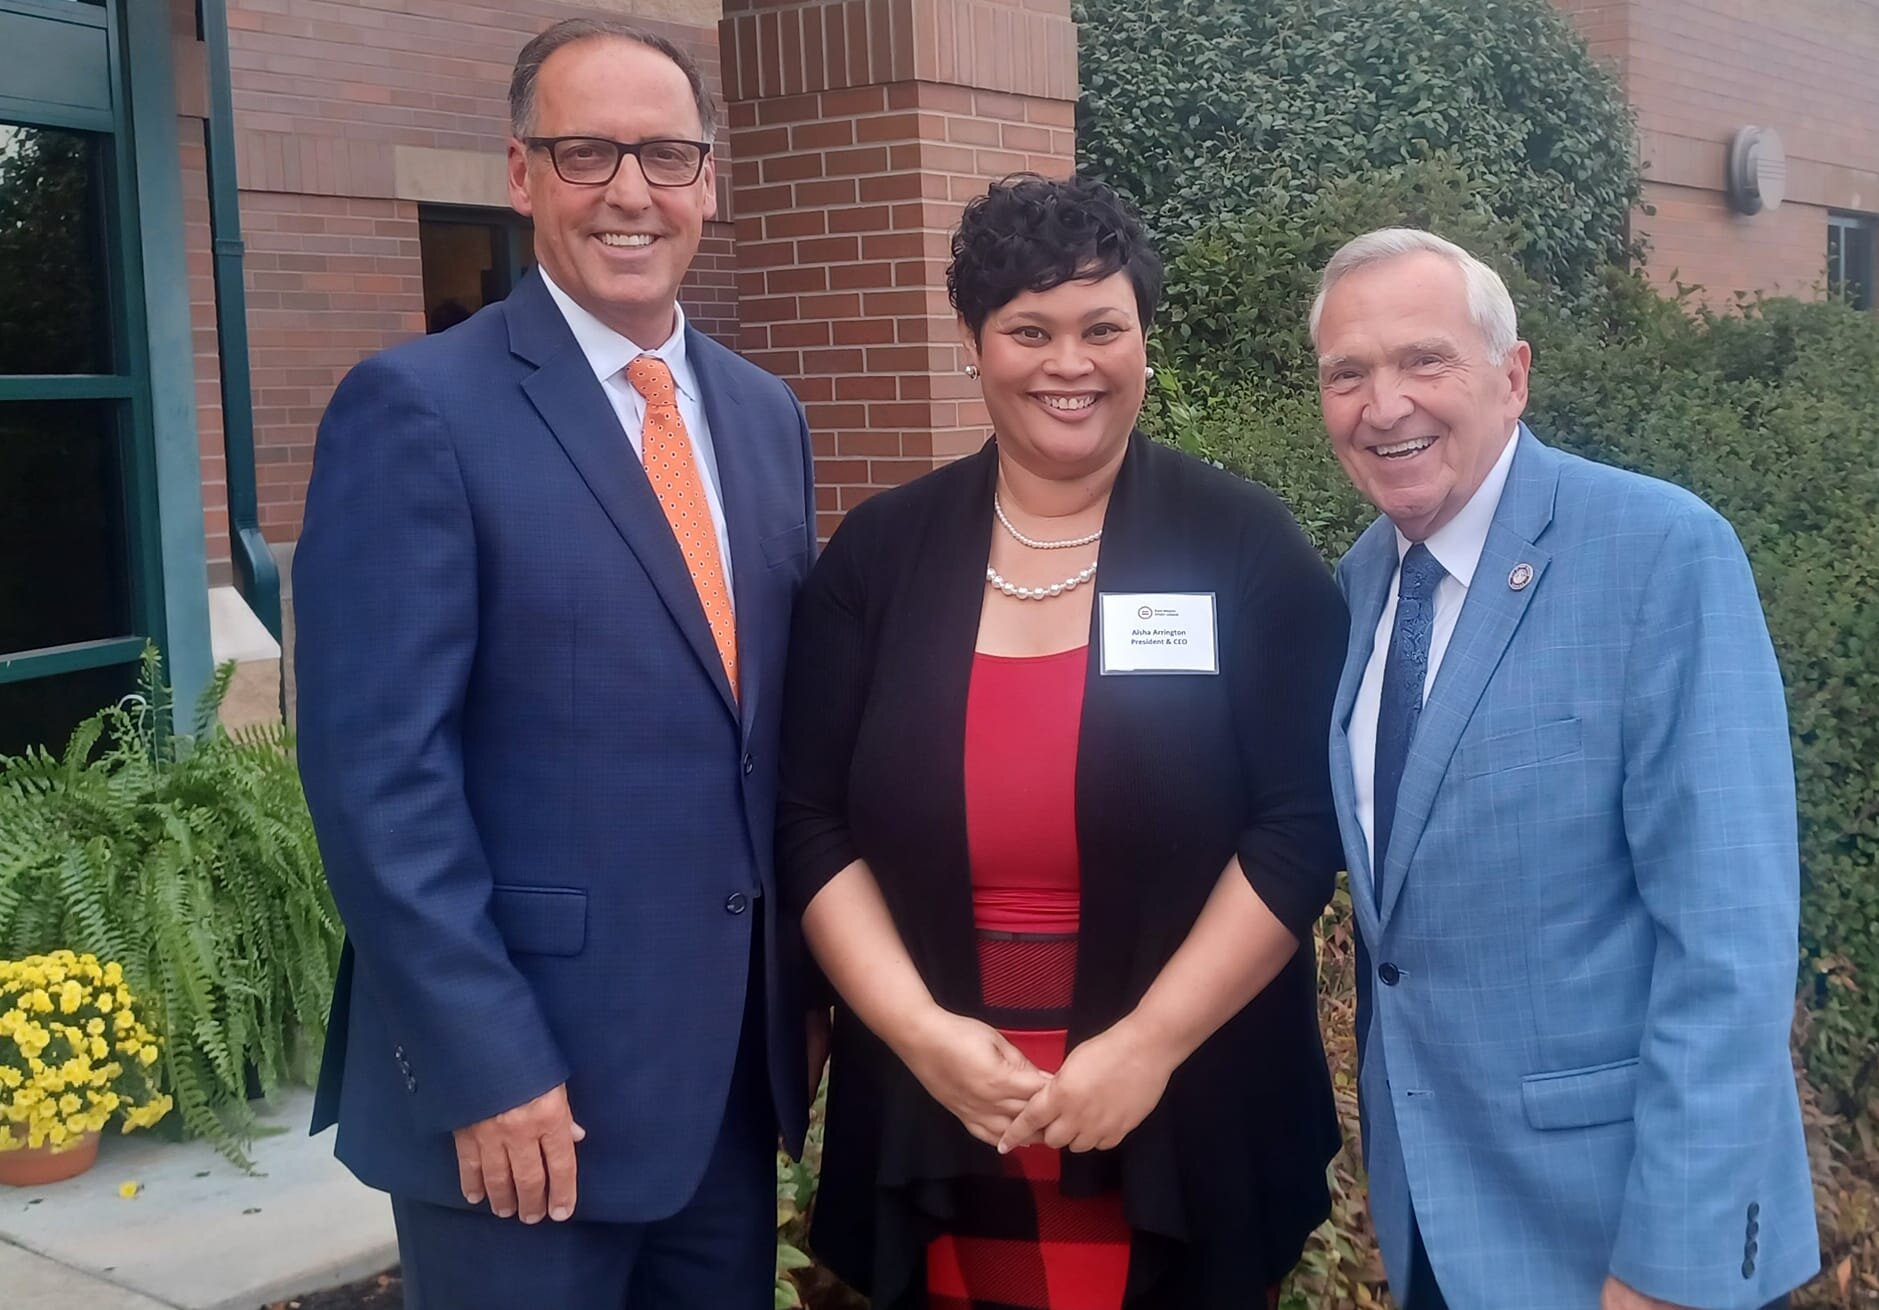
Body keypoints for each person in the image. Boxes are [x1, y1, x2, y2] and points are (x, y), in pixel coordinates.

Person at [294, 19, 816, 1308]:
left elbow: (764, 737)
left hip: (720, 1101)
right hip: (524, 1113)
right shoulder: (415, 408)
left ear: (709, 178)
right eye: (588, 153)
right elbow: (378, 778)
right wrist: (485, 1064)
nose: (630, 191)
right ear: (521, 174)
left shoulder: (762, 415)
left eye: (665, 154)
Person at [777, 174, 1346, 1310]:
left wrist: (1145, 1044)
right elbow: (807, 817)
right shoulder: (881, 557)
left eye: (1102, 327)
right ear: (972, 344)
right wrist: (918, 1032)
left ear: (1144, 338)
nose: (1067, 364)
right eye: (1027, 329)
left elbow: (1297, 823)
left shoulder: (1241, 544)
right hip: (946, 1096)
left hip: (1176, 1098)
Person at [1314, 227, 1819, 1310]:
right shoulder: (1362, 583)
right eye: (1346, 373)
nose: (1381, 402)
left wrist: (1669, 1266)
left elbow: (1726, 936)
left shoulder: (1657, 551)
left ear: (1511, 373)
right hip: (1440, 1224)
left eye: (1421, 360)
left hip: (1620, 1239)